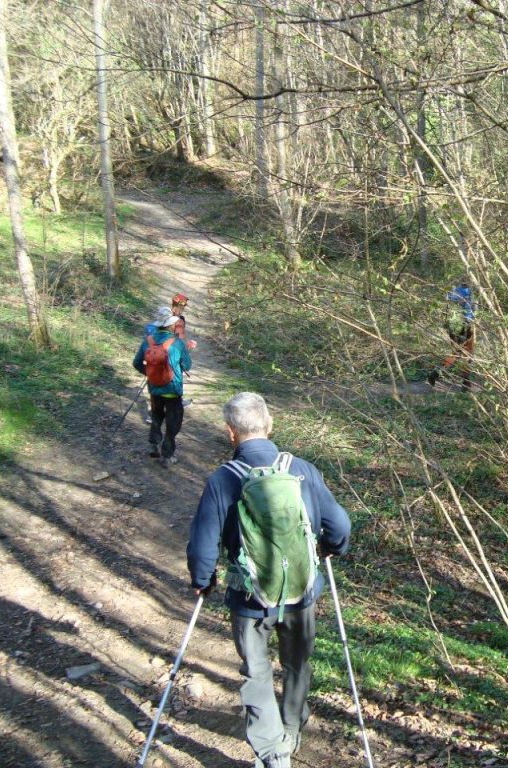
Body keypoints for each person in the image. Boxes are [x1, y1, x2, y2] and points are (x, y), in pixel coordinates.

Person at [186, 392, 352, 768]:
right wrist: (330, 548)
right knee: (298, 663)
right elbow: (340, 525)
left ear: (230, 432)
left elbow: (203, 543)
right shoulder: (302, 470)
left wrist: (202, 579)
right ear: (270, 425)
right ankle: (291, 728)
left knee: (256, 671)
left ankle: (273, 752)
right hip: (301, 592)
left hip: (249, 598)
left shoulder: (224, 480)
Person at [132, 314, 192, 465]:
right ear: (171, 325)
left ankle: (154, 444)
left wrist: (150, 373)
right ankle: (167, 455)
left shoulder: (148, 341)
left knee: (156, 416)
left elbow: (136, 362)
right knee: (173, 422)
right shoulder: (177, 343)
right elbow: (187, 365)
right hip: (173, 390)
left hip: (154, 388)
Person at [428, 279, 476, 391]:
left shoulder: (453, 292)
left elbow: (445, 309)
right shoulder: (469, 293)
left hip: (452, 327)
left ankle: (437, 374)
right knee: (465, 354)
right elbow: (473, 311)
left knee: (457, 353)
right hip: (466, 327)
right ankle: (464, 383)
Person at [170, 293, 198, 408]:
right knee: (177, 377)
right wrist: (187, 347)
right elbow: (179, 340)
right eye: (182, 306)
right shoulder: (179, 321)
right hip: (174, 353)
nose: (183, 308)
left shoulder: (166, 316)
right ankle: (177, 402)